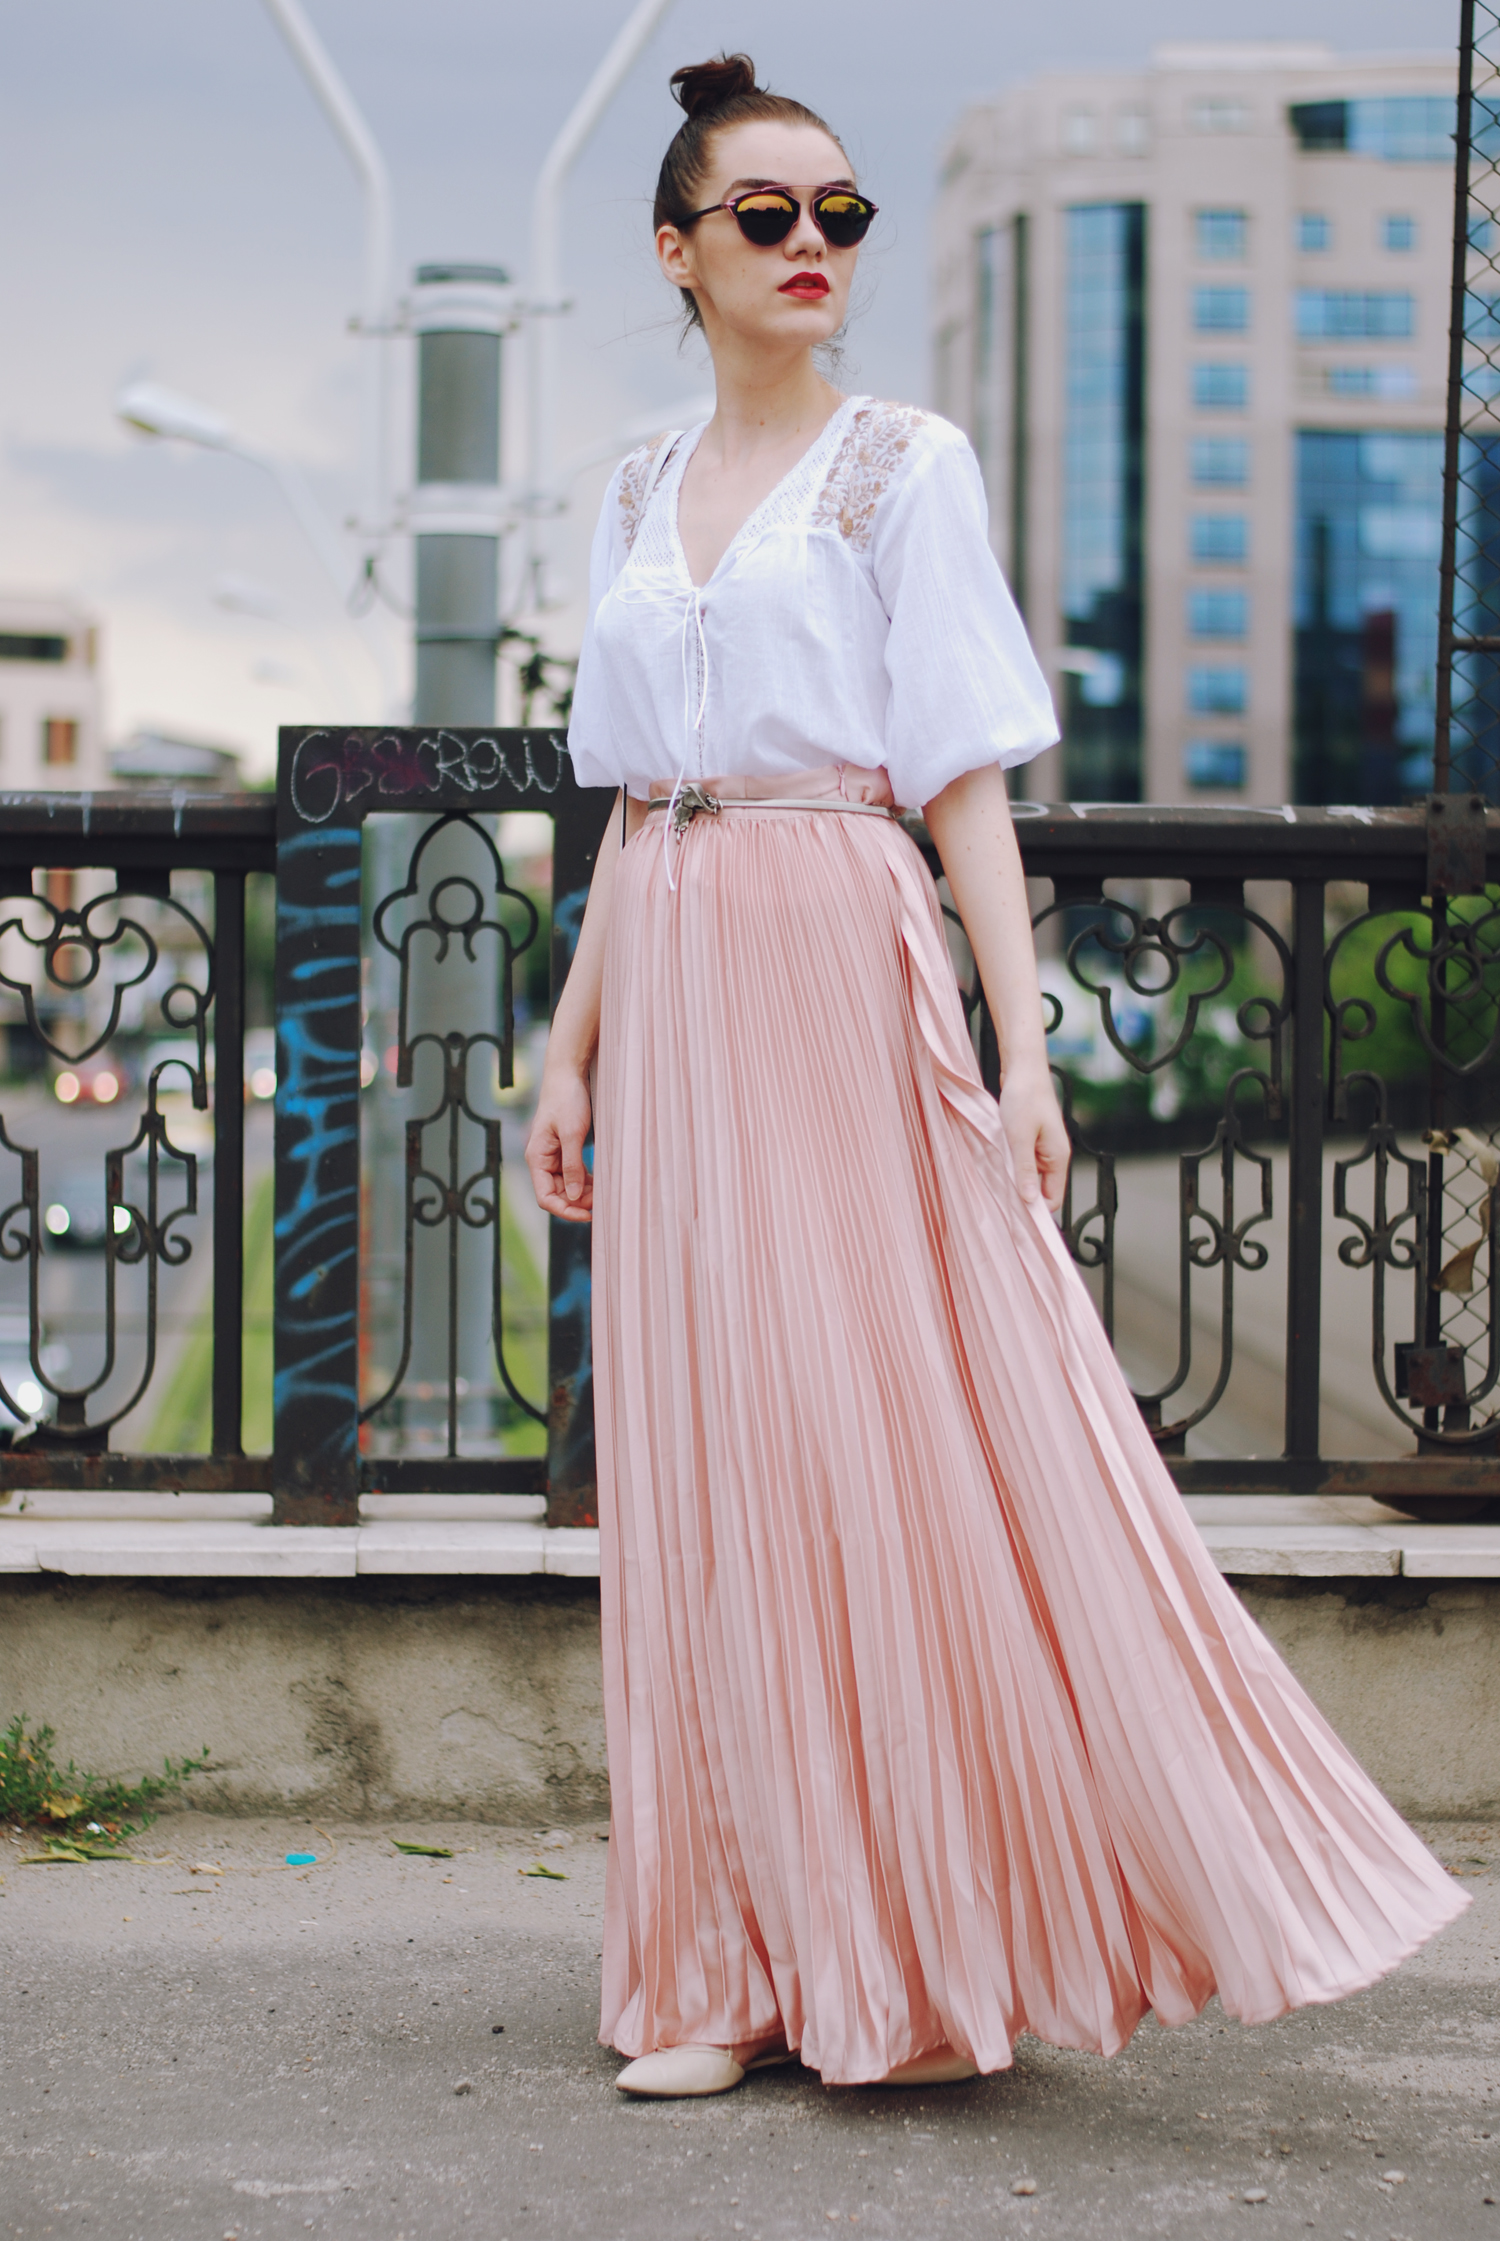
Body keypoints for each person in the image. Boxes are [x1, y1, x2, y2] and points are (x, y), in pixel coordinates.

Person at [525, 53, 1465, 2100]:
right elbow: (629, 811)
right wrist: (569, 1048)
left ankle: (905, 1938)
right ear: (676, 252)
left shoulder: (903, 465)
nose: (808, 250)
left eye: (838, 216)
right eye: (766, 217)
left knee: (867, 1435)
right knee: (699, 1459)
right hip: (670, 962)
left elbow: (959, 777)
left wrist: (1019, 1047)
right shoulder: (622, 487)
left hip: (833, 946)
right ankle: (710, 1961)